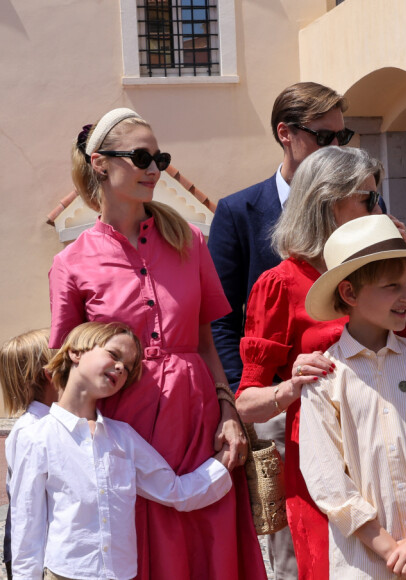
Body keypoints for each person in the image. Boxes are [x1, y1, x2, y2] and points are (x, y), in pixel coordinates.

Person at [48, 108, 266, 579]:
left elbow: (208, 340)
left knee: (209, 542)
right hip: (124, 427)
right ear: (101, 163)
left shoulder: (188, 240)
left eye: (160, 158)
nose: (154, 169)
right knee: (142, 546)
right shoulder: (71, 262)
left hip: (199, 417)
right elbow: (64, 366)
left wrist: (228, 412)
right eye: (142, 156)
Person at [236, 146, 406, 579]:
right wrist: (289, 387)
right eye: (369, 199)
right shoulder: (280, 284)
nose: (379, 208)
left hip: (402, 449)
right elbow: (247, 403)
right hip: (324, 463)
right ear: (330, 202)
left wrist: (405, 271)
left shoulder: (392, 278)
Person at [208, 82, 353, 577]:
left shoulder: (361, 207)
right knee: (292, 546)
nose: (337, 148)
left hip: (346, 401)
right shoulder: (237, 211)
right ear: (285, 134)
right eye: (324, 136)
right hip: (275, 402)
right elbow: (222, 320)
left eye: (344, 135)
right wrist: (243, 405)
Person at [298, 214, 406, 580]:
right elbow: (328, 482)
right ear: (349, 293)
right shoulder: (326, 378)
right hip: (364, 566)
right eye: (391, 286)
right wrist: (395, 553)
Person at [10, 321, 233, 580]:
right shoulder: (37, 435)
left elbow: (176, 491)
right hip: (65, 574)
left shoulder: (124, 438)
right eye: (114, 355)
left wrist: (225, 460)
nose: (120, 368)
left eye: (127, 368)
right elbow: (27, 527)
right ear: (76, 352)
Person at [0, 329, 58, 580]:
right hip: (33, 558)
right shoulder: (32, 431)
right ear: (48, 374)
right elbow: (26, 510)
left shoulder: (50, 422)